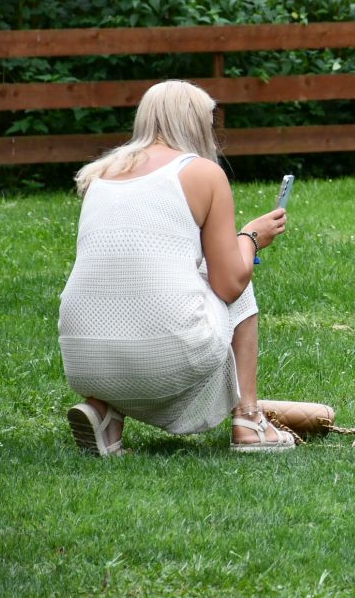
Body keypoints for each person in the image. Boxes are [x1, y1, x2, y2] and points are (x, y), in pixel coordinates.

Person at [59, 80, 295, 455]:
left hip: (81, 354)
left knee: (127, 287)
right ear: (196, 123)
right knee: (237, 269)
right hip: (164, 354)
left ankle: (104, 411)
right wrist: (250, 236)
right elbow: (230, 282)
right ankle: (249, 420)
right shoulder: (202, 173)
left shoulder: (98, 174)